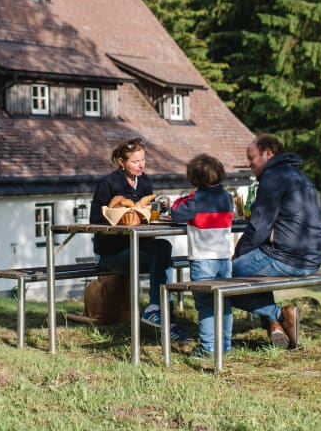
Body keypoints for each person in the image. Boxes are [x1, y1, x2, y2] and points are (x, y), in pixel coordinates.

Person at [89, 136, 192, 343]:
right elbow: (95, 221)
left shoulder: (144, 182)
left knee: (163, 249)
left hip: (140, 248)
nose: (141, 165)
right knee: (162, 255)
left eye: (143, 160)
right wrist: (117, 217)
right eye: (135, 161)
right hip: (113, 254)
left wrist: (159, 211)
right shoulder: (108, 183)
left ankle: (158, 311)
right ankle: (161, 314)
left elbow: (148, 213)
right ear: (121, 162)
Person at [231, 134, 321, 350]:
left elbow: (259, 227)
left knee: (218, 279)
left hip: (287, 258)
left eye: (251, 157)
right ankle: (275, 325)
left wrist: (238, 254)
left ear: (268, 153)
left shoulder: (273, 177)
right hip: (312, 260)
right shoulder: (298, 176)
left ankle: (279, 314)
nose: (249, 163)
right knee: (251, 269)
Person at [169, 153, 235, 358]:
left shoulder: (195, 200)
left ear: (194, 178)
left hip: (203, 259)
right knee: (224, 303)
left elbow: (176, 213)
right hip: (224, 258)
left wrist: (183, 198)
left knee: (206, 304)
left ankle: (208, 347)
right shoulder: (227, 198)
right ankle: (225, 345)